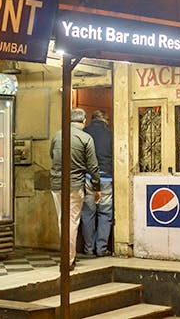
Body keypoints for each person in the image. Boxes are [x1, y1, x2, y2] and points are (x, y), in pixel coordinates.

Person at [50, 108, 101, 271]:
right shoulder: (86, 138)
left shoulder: (58, 135)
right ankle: (68, 259)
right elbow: (93, 166)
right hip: (75, 185)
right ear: (84, 121)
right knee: (72, 221)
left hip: (57, 185)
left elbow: (52, 155)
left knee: (61, 220)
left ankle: (68, 254)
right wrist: (96, 187)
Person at [81, 109, 114, 257]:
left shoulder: (84, 133)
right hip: (106, 178)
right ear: (105, 120)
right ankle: (101, 249)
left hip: (88, 177)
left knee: (88, 213)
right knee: (105, 213)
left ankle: (88, 249)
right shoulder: (110, 134)